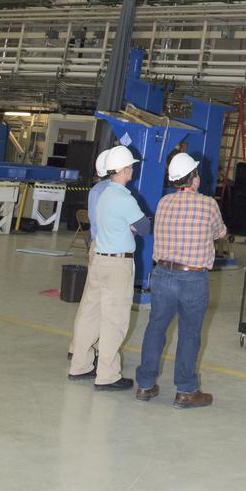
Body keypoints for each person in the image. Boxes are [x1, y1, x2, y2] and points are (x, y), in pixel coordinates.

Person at [135, 151, 227, 409]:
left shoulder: (164, 202)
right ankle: (186, 390)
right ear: (194, 178)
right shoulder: (208, 204)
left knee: (156, 329)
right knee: (189, 333)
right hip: (192, 278)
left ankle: (145, 384)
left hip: (163, 275)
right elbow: (221, 232)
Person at [68, 144, 150, 391]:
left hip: (100, 259)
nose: (132, 171)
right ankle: (107, 375)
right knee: (114, 320)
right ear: (124, 170)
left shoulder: (102, 194)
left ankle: (80, 365)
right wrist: (134, 225)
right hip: (117, 265)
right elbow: (144, 227)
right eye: (131, 167)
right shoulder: (123, 198)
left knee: (90, 315)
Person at [68, 148, 112, 359]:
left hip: (96, 245)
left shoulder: (96, 189)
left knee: (89, 302)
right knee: (102, 306)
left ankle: (77, 346)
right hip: (107, 249)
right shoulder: (110, 191)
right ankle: (89, 349)